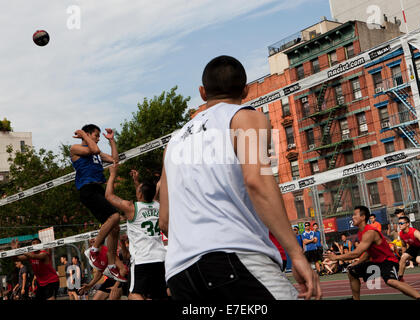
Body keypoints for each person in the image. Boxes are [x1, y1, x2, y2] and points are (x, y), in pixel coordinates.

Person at [159, 55, 321, 300]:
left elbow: (165, 220)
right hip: (232, 257)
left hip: (180, 274)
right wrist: (296, 253)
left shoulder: (173, 143)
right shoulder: (247, 117)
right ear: (245, 90)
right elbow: (258, 181)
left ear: (202, 93)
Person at [324, 206, 420, 300]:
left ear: (363, 217)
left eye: (355, 215)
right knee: (352, 271)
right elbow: (368, 252)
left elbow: (356, 253)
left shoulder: (370, 232)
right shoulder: (361, 232)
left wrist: (336, 257)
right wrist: (358, 262)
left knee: (391, 281)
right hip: (376, 263)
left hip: (388, 261)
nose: (352, 217)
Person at [70, 124, 125, 282]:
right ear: (87, 134)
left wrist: (112, 141)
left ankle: (112, 265)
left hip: (97, 189)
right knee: (115, 216)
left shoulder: (97, 153)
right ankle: (93, 250)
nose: (98, 138)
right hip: (87, 190)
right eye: (96, 135)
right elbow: (92, 150)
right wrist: (82, 135)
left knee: (115, 228)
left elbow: (114, 160)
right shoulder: (75, 148)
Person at [105, 165, 167, 300]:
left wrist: (112, 175)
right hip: (161, 258)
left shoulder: (131, 208)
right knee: (159, 295)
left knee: (134, 295)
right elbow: (145, 198)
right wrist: (137, 183)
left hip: (142, 259)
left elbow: (109, 195)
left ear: (140, 194)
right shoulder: (158, 205)